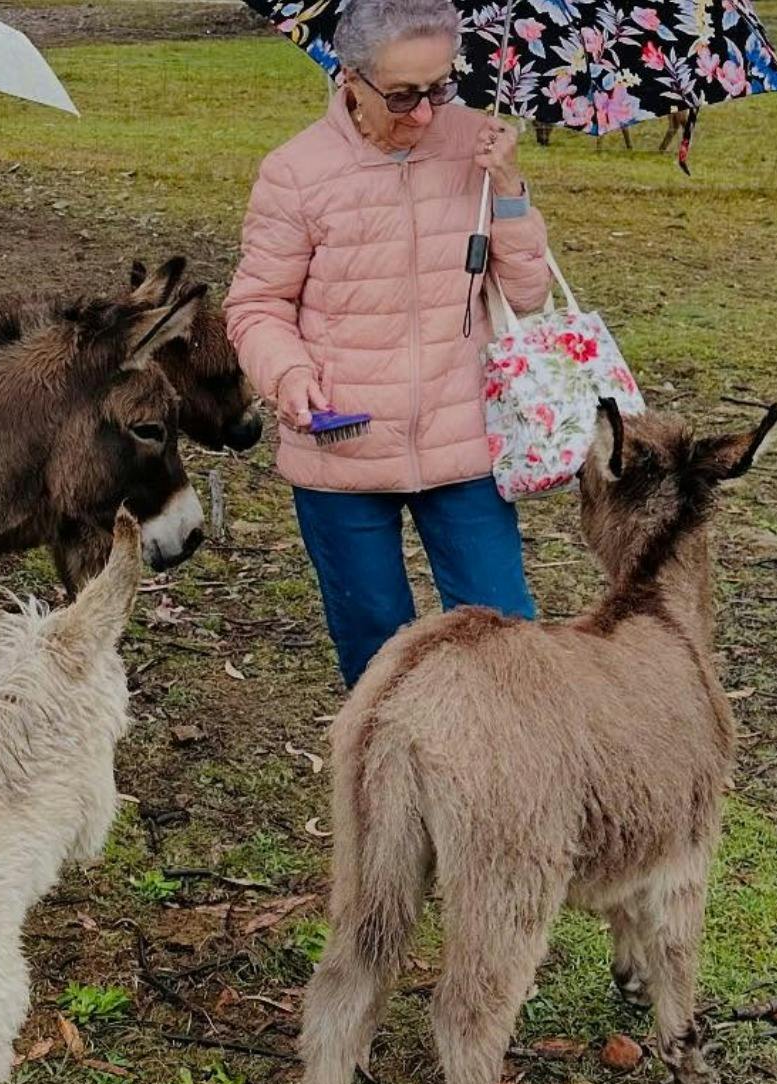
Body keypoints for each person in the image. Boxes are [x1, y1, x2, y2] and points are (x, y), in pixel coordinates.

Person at [227, 0, 553, 689]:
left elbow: (526, 296)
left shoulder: (478, 146)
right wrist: (287, 374)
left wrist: (510, 190)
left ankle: (498, 758)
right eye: (403, 95)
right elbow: (257, 305)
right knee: (376, 648)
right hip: (341, 448)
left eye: (442, 87)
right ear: (350, 78)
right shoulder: (296, 172)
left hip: (463, 440)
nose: (426, 113)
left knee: (504, 638)